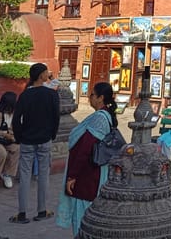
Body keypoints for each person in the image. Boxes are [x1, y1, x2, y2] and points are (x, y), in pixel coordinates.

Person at [57, 82, 117, 236]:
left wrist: (73, 175)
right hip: (95, 171)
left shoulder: (99, 119)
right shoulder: (104, 116)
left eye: (92, 94)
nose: (90, 97)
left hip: (88, 174)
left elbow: (85, 148)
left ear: (100, 98)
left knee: (83, 219)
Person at [10, 63, 60, 224]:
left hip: (27, 139)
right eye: (46, 72)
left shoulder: (25, 95)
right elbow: (56, 118)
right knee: (43, 175)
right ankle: (42, 210)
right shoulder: (51, 95)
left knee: (25, 176)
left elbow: (16, 120)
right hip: (44, 139)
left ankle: (22, 213)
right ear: (41, 76)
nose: (48, 74)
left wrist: (19, 137)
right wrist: (52, 134)